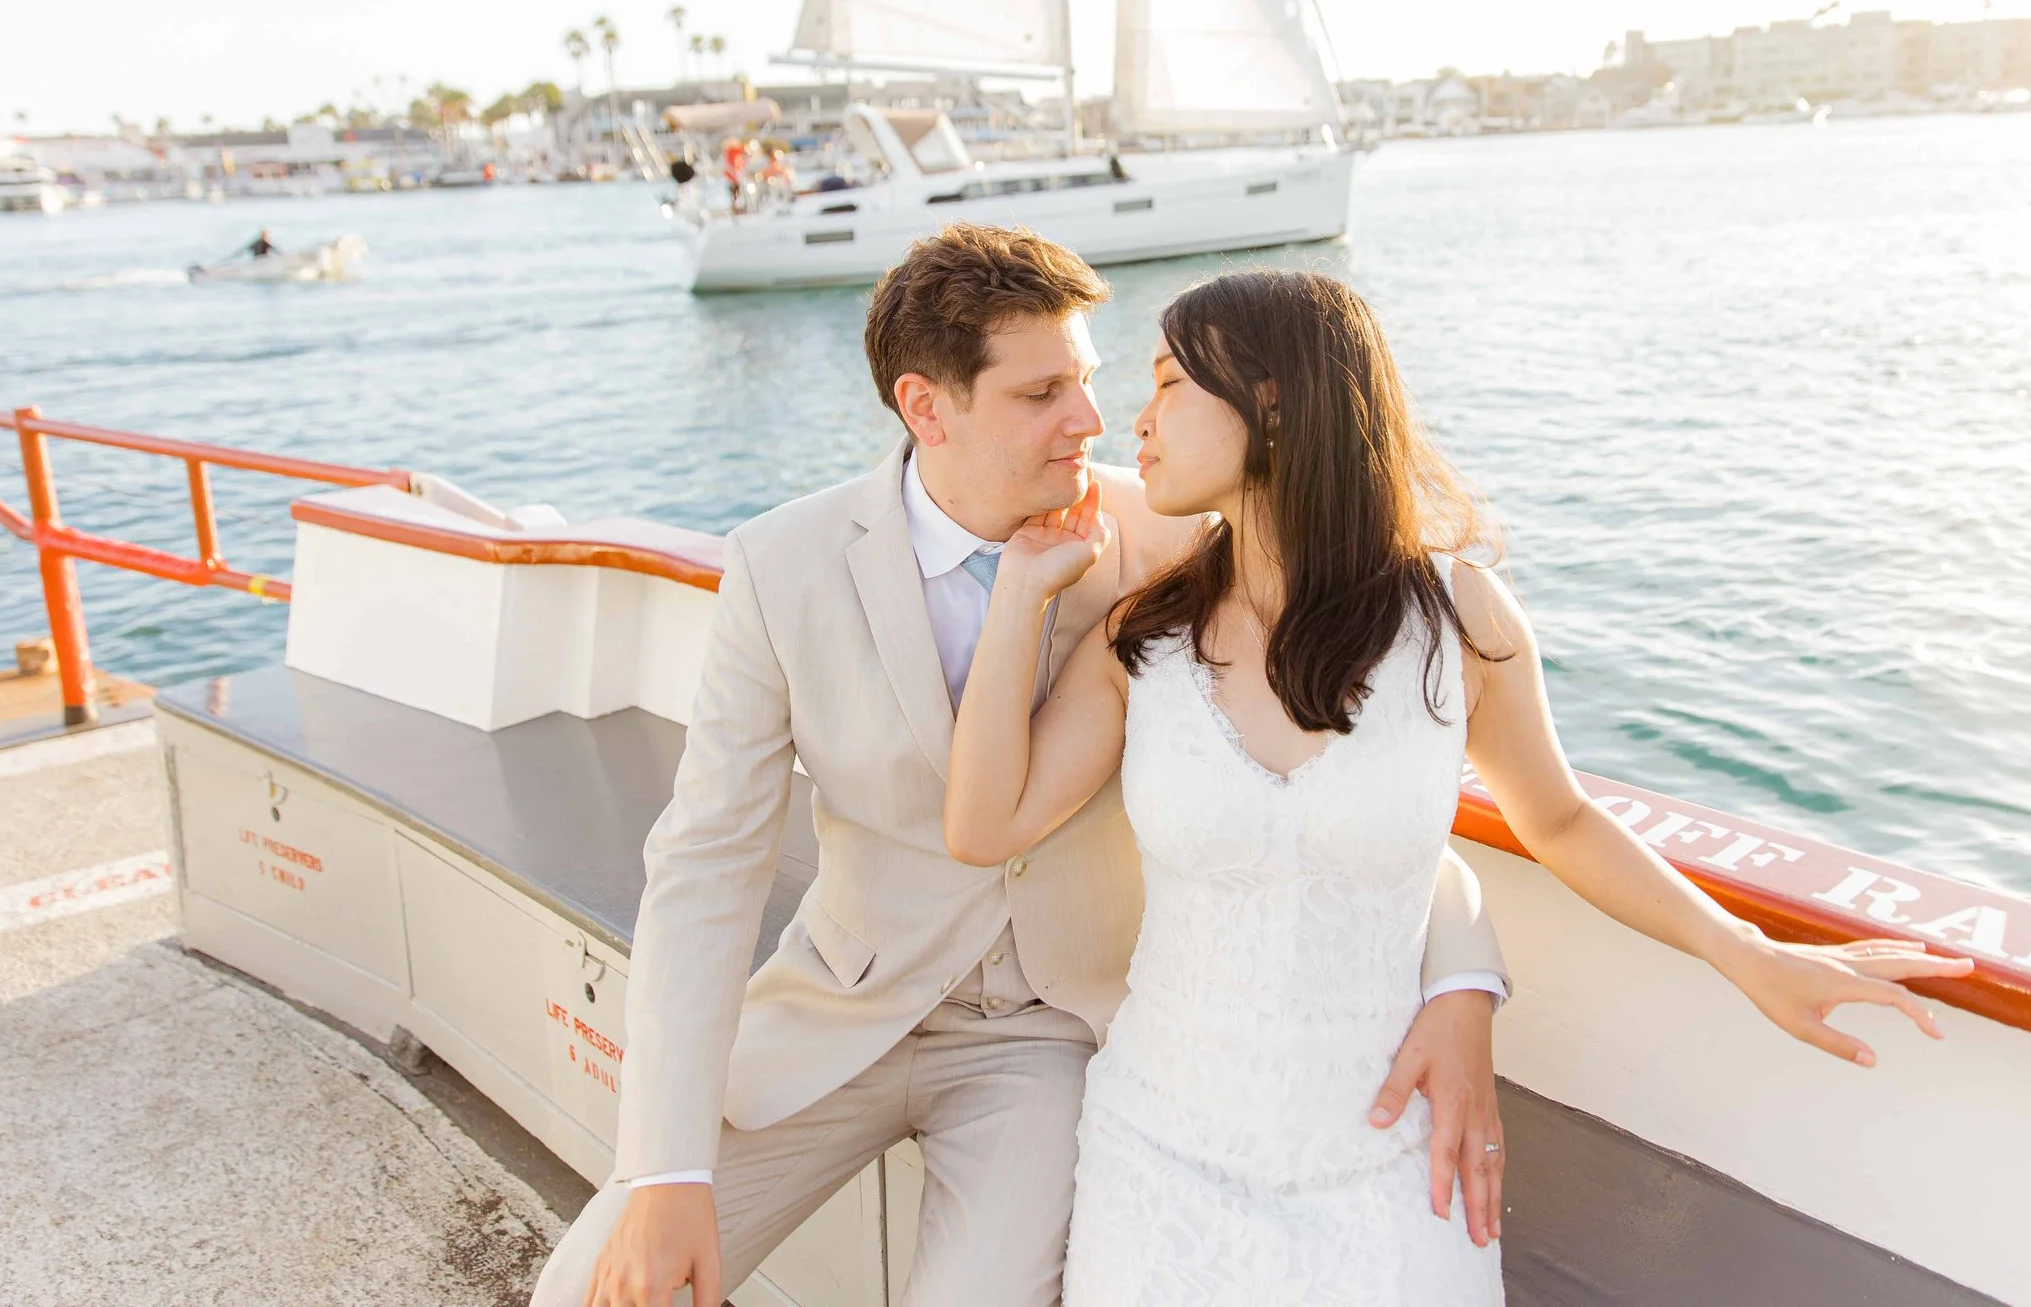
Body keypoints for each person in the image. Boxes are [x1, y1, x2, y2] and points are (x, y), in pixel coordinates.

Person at [943, 269, 1976, 1305]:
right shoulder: (1147, 637)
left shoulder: (1458, 621)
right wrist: (1024, 596)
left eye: (1169, 382)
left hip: (1389, 1155)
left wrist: (1743, 952)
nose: (1137, 417)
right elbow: (984, 823)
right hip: (1160, 1151)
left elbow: (1559, 819)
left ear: (1272, 402)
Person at [535, 228, 1510, 1307]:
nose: (1091, 421)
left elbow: (1347, 800)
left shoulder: (1176, 541)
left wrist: (1464, 978)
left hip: (1050, 1039)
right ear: (927, 406)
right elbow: (704, 869)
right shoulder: (781, 565)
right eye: (1043, 391)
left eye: (1089, 380)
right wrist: (667, 1166)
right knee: (586, 1289)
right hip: (843, 1008)